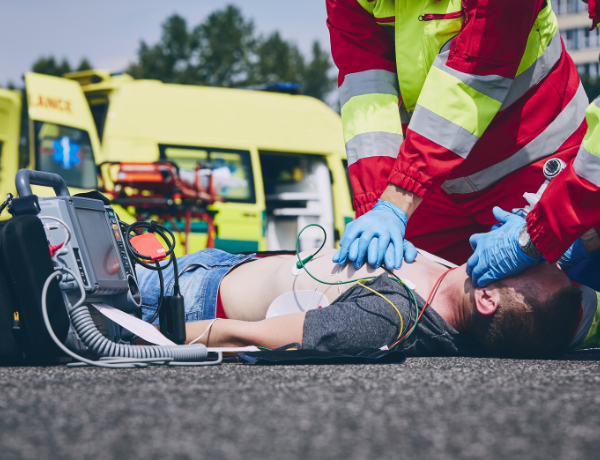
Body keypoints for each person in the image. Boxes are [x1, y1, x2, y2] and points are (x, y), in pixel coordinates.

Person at [326, 0, 600, 285]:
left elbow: (478, 70)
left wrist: (548, 228)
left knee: (540, 305)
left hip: (535, 160)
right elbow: (366, 92)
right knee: (408, 293)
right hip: (435, 180)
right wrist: (378, 208)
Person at [137, 248, 582, 358]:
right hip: (212, 265)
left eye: (527, 263)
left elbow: (246, 338)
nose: (522, 249)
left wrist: (131, 338)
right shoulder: (454, 280)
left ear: (486, 298)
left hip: (178, 299)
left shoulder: (390, 318)